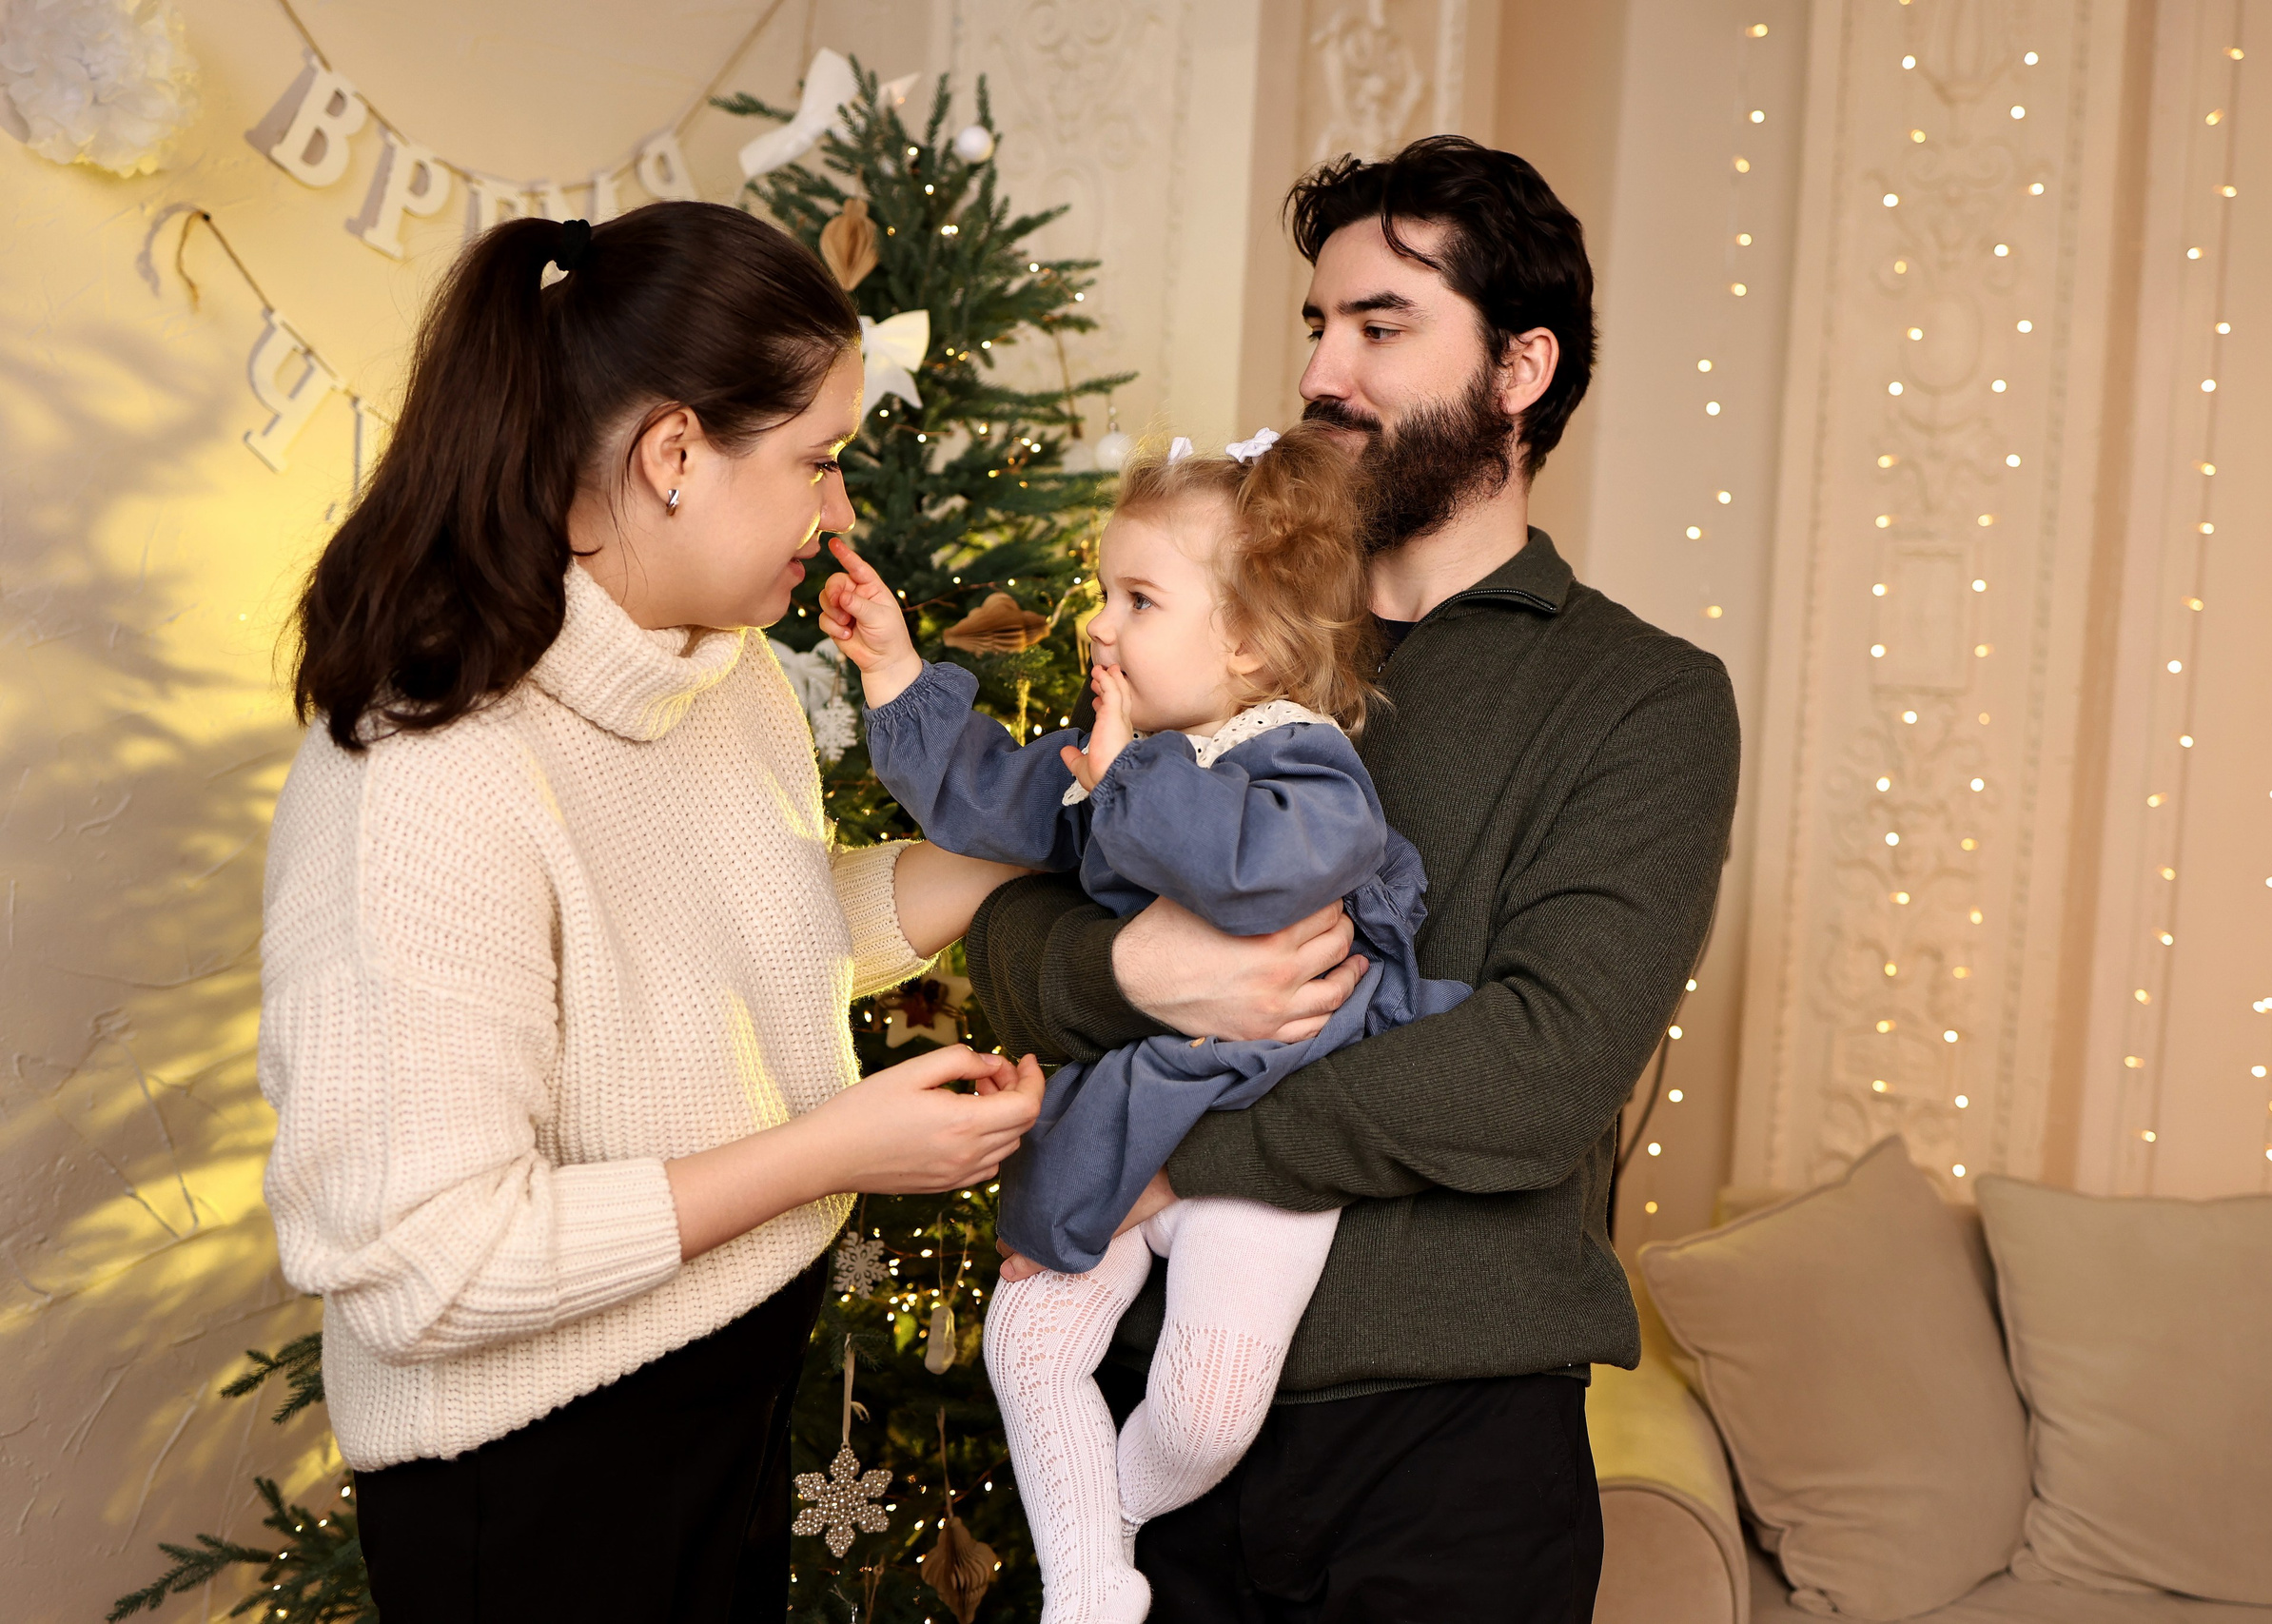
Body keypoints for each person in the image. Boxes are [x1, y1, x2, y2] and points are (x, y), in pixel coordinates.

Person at [964, 136, 1742, 1617]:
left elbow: (1539, 1068)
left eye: (1383, 329)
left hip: (1441, 1451)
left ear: (1519, 369)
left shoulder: (1642, 698)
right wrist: (1136, 974)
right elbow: (1016, 913)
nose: (1327, 372)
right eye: (1319, 324)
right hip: (1140, 1423)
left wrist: (1181, 1156)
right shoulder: (1207, 625)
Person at [255, 202, 1045, 1624]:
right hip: (545, 1470)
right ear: (675, 453)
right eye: (818, 461)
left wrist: (1028, 868)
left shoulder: (722, 672)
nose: (841, 511)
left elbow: (751, 925)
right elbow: (423, 1265)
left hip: (726, 1387)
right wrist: (834, 1148)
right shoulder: (427, 774)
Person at [816, 423, 1470, 1622]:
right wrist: (899, 678)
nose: (1096, 627)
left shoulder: (1306, 766)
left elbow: (1258, 876)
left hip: (1258, 1130)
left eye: (1136, 598)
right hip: (1123, 1101)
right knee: (1026, 1340)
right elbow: (998, 808)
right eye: (1099, 592)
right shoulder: (1126, 750)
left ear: (1244, 639)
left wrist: (1124, 778)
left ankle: (1110, 1515)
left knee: (1210, 1401)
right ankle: (1088, 1591)